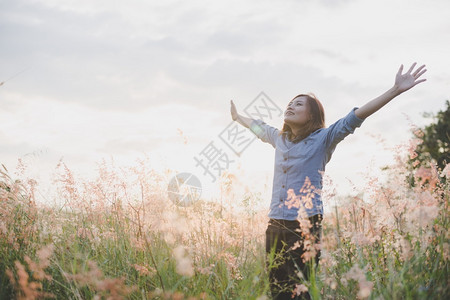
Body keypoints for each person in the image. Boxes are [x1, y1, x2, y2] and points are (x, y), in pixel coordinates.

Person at [230, 63, 427, 299]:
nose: (291, 106)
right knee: (277, 291)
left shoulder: (323, 139)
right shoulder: (279, 138)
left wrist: (394, 90)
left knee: (299, 291)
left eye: (298, 104)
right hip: (275, 224)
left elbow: (355, 117)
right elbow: (258, 127)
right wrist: (237, 117)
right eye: (290, 103)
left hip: (304, 226)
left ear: (311, 115)